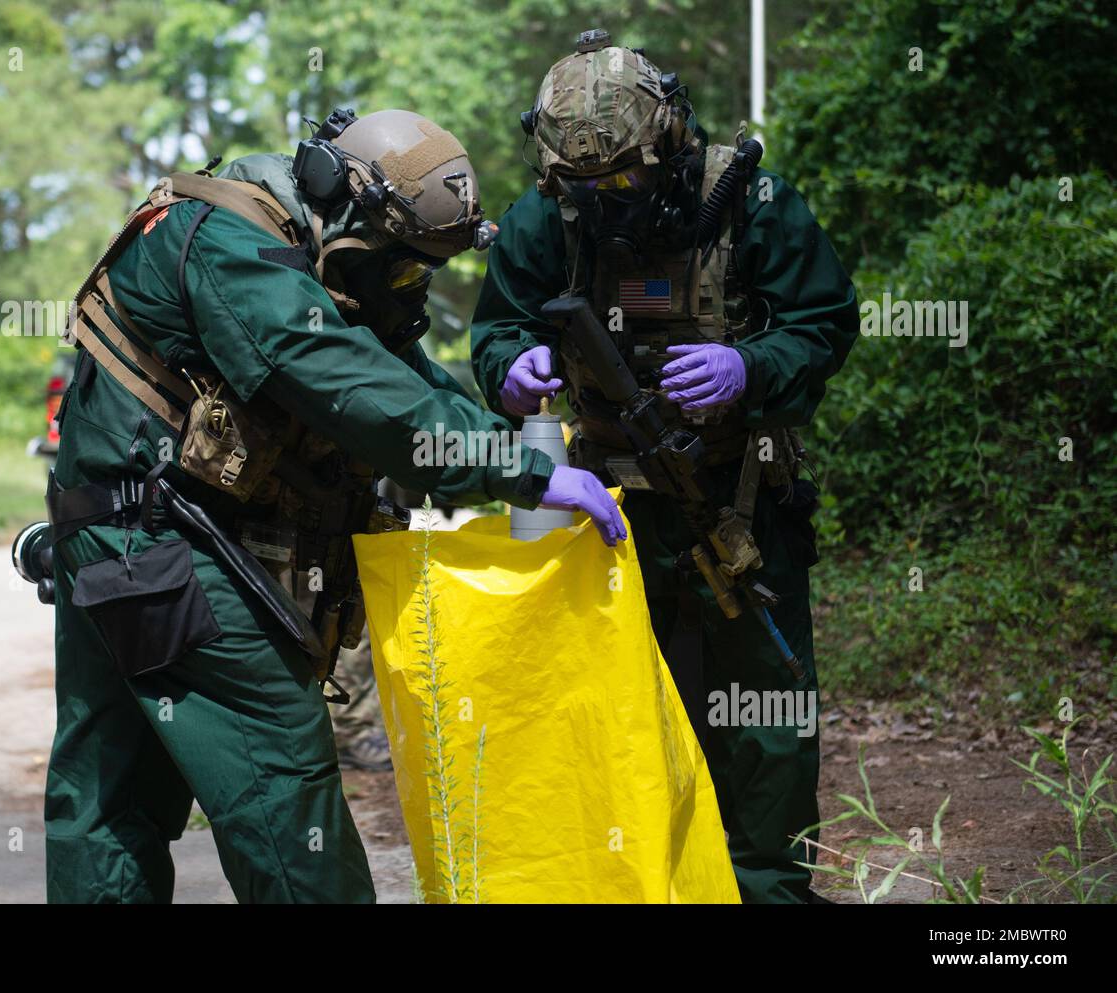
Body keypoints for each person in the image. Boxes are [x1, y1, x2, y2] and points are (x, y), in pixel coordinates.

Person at [42, 107, 625, 904]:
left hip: (121, 542)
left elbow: (398, 368)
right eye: (403, 266)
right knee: (279, 788)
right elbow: (352, 385)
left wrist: (506, 431)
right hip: (163, 552)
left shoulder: (306, 249)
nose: (408, 287)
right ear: (351, 209)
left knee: (112, 793)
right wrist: (518, 468)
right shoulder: (230, 244)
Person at [470, 31, 860, 903]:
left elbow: (826, 320)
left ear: (668, 141)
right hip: (607, 502)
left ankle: (765, 888)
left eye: (624, 178)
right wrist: (512, 366)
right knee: (625, 698)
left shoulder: (751, 200)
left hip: (741, 494)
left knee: (765, 704)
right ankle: (650, 881)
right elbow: (500, 323)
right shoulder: (550, 217)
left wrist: (749, 368)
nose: (609, 198)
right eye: (587, 183)